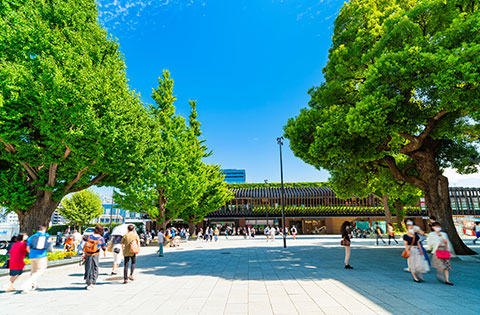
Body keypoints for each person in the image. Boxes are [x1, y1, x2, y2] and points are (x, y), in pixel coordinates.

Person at [23, 225, 50, 291]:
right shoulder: (46, 235)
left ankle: (33, 285)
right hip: (41, 255)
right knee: (42, 269)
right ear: (44, 229)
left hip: (32, 255)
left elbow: (27, 248)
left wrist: (31, 253)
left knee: (33, 270)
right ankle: (29, 281)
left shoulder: (31, 237)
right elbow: (48, 243)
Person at [83, 225, 107, 290]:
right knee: (94, 267)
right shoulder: (101, 238)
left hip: (88, 254)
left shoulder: (89, 236)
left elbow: (84, 240)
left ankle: (88, 282)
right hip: (95, 254)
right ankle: (92, 282)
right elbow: (104, 247)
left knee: (88, 267)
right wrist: (104, 250)